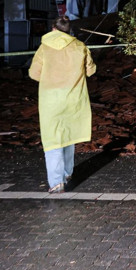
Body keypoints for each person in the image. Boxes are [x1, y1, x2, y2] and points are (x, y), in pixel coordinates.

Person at [29, 16, 96, 193]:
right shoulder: (80, 46)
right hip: (73, 98)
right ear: (68, 30)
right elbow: (91, 70)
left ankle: (56, 182)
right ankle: (67, 173)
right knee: (69, 136)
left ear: (54, 29)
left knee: (53, 141)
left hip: (51, 100)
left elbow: (34, 74)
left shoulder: (44, 47)